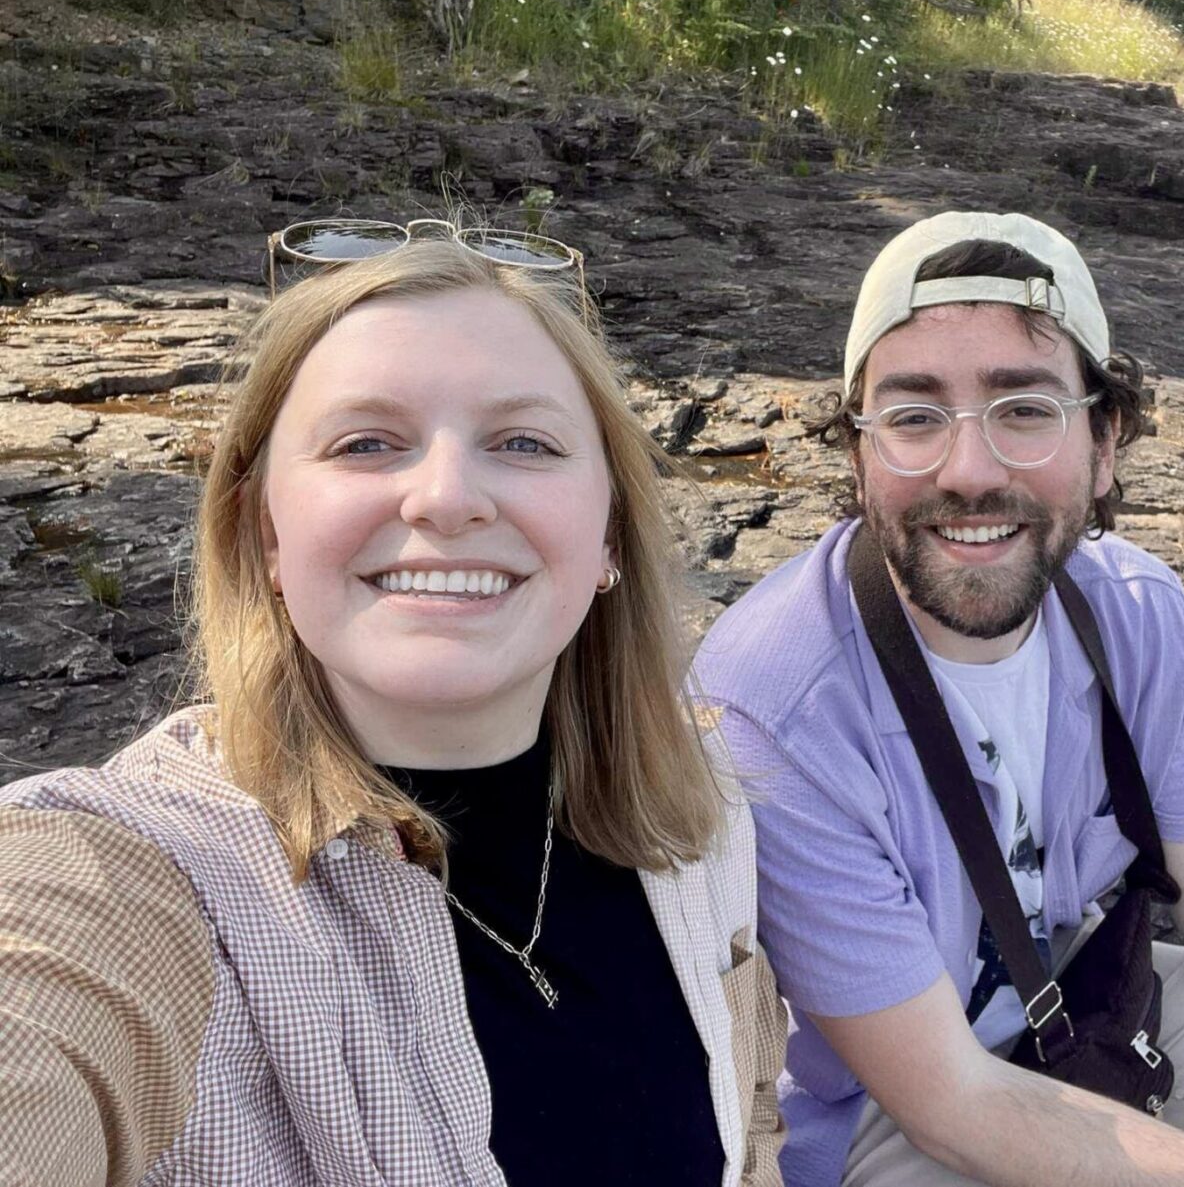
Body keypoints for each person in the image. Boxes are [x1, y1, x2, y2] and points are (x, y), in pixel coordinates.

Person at [0, 223, 786, 1187]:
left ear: (611, 534)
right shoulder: (139, 878)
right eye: (366, 441)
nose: (446, 497)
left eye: (524, 442)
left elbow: (750, 1127)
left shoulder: (701, 821)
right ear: (266, 534)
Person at [693, 212, 1184, 1187]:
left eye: (1024, 408)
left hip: (1070, 1001)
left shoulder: (1137, 615)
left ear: (1104, 439)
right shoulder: (776, 705)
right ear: (857, 451)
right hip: (886, 1100)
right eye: (914, 415)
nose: (968, 470)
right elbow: (949, 1102)